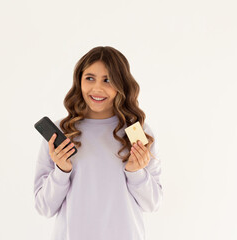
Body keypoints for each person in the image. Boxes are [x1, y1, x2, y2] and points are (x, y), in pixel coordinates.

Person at [34, 46, 163, 240]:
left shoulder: (136, 132)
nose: (97, 88)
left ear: (122, 84)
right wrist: (61, 171)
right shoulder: (60, 132)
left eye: (108, 80)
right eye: (90, 78)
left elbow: (152, 204)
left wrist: (136, 172)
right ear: (79, 80)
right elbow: (44, 207)